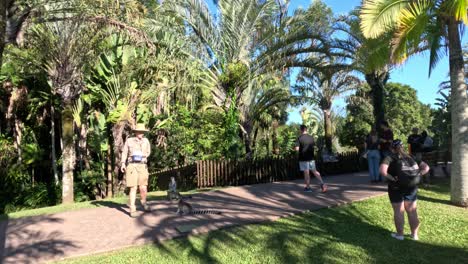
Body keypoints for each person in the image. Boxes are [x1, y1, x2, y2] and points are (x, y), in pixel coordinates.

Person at [379, 140, 430, 241]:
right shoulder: (411, 156)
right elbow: (426, 167)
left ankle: (400, 235)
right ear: (403, 147)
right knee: (412, 211)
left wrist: (392, 178)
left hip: (395, 187)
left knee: (398, 211)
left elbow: (382, 171)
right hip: (411, 187)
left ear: (391, 148)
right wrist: (419, 174)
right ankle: (414, 235)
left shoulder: (389, 158)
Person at [121, 123, 151, 217]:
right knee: (133, 187)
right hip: (132, 166)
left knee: (143, 187)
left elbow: (148, 152)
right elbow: (124, 152)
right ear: (135, 132)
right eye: (139, 131)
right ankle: (132, 208)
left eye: (142, 132)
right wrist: (122, 163)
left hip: (142, 165)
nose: (140, 133)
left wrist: (144, 155)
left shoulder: (146, 141)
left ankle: (144, 202)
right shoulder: (129, 141)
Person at [295, 125, 327, 193]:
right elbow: (313, 147)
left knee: (306, 172)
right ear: (306, 129)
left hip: (303, 158)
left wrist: (297, 148)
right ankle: (322, 184)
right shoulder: (311, 138)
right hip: (311, 158)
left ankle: (308, 188)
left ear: (301, 130)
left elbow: (297, 149)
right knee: (314, 171)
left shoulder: (299, 138)